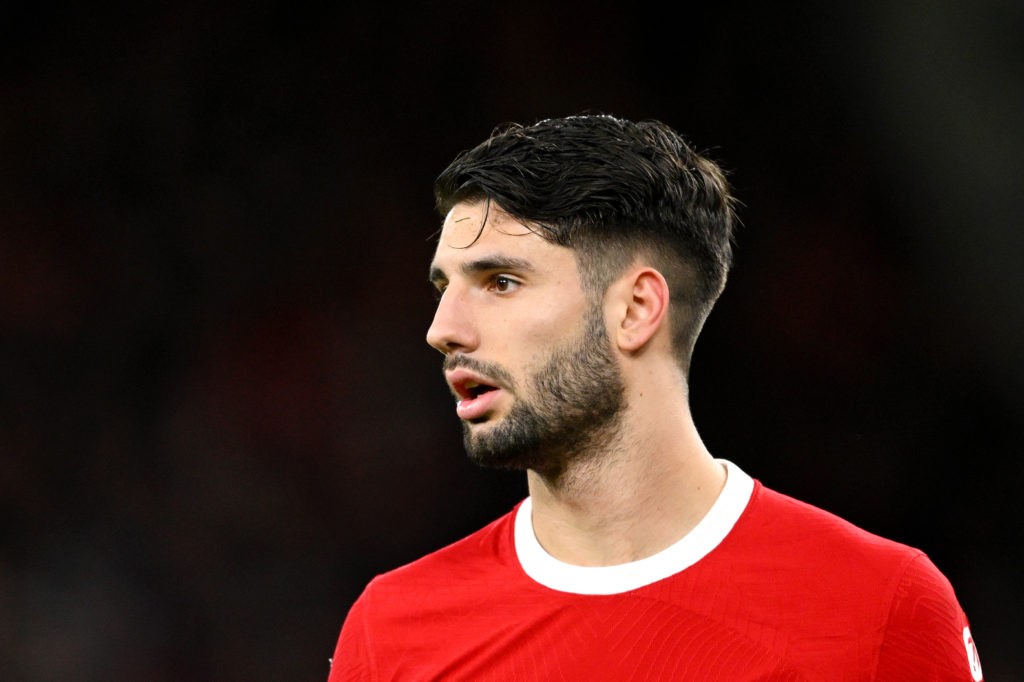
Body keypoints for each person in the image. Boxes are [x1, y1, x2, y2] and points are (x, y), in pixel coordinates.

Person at [327, 114, 984, 680]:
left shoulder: (879, 607)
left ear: (637, 308)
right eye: (445, 286)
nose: (443, 330)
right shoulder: (393, 631)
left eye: (500, 281)